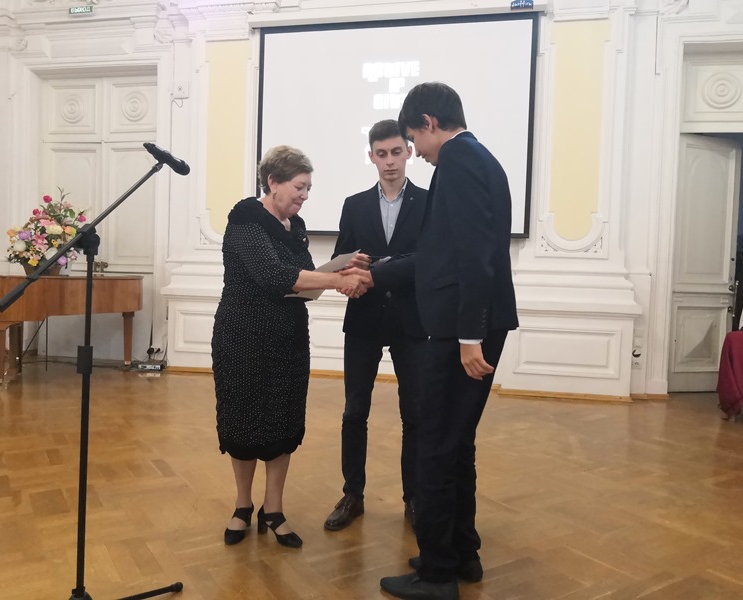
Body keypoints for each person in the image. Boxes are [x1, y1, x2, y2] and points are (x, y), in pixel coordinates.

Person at [365, 83, 519, 600]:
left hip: (460, 331)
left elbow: (475, 257)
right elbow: (444, 255)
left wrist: (470, 337)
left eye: (413, 140)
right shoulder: (476, 159)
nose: (416, 152)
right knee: (455, 444)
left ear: (429, 123)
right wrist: (376, 272)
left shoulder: (458, 162)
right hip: (465, 326)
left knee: (434, 444)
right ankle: (460, 553)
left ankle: (436, 574)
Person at [211, 145, 369, 550]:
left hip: (289, 337)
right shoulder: (245, 218)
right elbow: (273, 275)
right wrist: (338, 281)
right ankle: (242, 505)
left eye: (308, 188)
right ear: (273, 182)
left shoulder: (295, 225)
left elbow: (303, 278)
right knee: (243, 420)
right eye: (300, 187)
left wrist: (338, 269)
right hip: (243, 336)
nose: (305, 196)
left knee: (283, 421)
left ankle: (274, 509)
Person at [323, 120, 429, 532]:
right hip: (364, 318)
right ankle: (353, 494)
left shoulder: (428, 202)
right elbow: (341, 259)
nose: (389, 161)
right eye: (381, 154)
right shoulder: (354, 205)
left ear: (409, 152)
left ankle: (414, 498)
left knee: (414, 413)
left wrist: (381, 269)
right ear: (370, 156)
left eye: (396, 152)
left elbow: (429, 260)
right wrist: (349, 264)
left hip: (411, 319)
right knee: (354, 411)